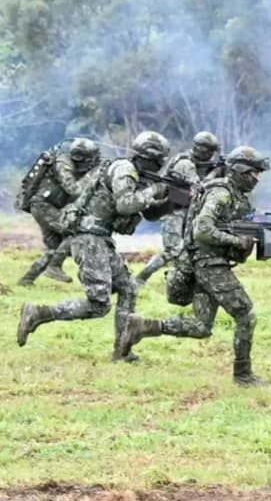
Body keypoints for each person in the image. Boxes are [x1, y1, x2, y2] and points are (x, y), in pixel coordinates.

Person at [116, 146, 271, 387]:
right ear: (239, 171)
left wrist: (270, 234)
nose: (257, 179)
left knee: (201, 326)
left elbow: (245, 222)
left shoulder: (236, 196)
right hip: (208, 265)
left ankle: (141, 326)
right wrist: (237, 241)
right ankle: (243, 375)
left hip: (202, 264)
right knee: (246, 314)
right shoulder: (221, 193)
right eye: (254, 173)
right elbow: (202, 229)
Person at [17, 131, 171, 360]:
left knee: (128, 289)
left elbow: (143, 214)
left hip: (99, 238)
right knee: (99, 305)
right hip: (89, 239)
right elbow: (125, 205)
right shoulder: (124, 170)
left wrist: (169, 201)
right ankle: (39, 313)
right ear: (153, 158)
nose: (161, 165)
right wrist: (153, 191)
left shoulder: (132, 173)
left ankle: (122, 350)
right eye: (160, 160)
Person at [135, 131, 224, 286]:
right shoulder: (184, 163)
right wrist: (216, 172)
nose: (211, 155)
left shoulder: (199, 164)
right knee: (173, 250)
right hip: (173, 211)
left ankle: (175, 278)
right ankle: (141, 277)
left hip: (187, 212)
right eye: (210, 151)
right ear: (203, 150)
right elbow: (200, 187)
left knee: (189, 249)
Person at [16, 138, 101, 285]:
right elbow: (74, 190)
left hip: (46, 207)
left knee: (54, 248)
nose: (92, 162)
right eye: (90, 159)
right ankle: (54, 267)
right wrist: (92, 175)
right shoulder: (63, 164)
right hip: (43, 206)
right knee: (77, 231)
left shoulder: (73, 163)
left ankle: (27, 280)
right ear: (80, 157)